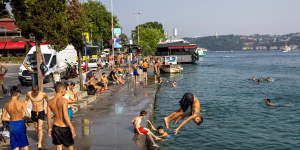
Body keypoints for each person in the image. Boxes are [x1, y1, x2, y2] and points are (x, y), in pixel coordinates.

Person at [47, 82, 76, 150]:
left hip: (55, 127)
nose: (66, 91)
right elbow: (66, 116)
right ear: (62, 90)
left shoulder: (50, 102)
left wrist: (49, 128)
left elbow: (48, 117)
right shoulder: (64, 101)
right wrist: (72, 127)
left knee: (58, 147)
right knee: (70, 147)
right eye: (65, 90)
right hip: (64, 128)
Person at [24, 85, 49, 149]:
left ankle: (39, 142)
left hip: (41, 112)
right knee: (36, 126)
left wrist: (49, 109)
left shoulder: (43, 94)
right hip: (34, 112)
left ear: (38, 90)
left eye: (36, 92)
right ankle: (39, 135)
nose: (35, 94)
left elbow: (48, 101)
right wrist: (24, 109)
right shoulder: (29, 94)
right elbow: (26, 101)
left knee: (40, 127)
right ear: (32, 91)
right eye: (34, 92)